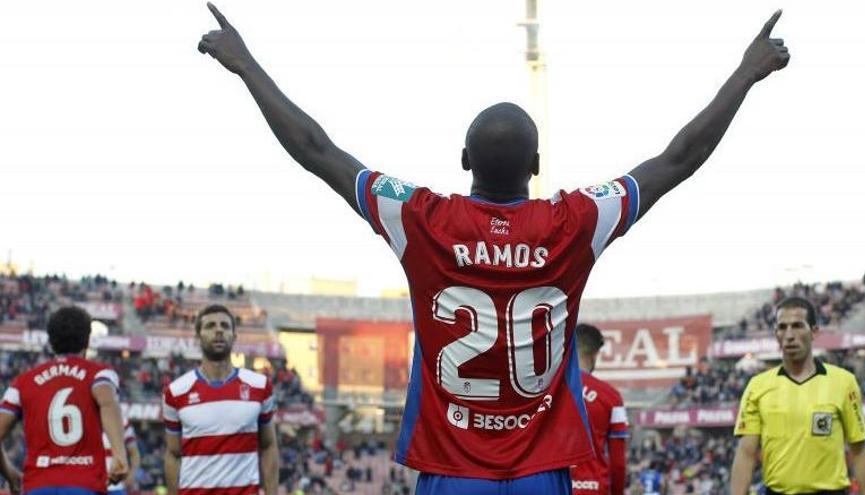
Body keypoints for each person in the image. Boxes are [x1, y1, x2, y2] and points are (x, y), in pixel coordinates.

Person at [198, 4, 789, 493]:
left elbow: (318, 150)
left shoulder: (420, 217)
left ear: (463, 160)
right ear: (536, 164)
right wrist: (745, 73)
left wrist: (246, 65)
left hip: (451, 467)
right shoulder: (575, 221)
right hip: (540, 467)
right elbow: (678, 159)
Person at [730, 297, 865, 495]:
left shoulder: (843, 382)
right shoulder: (758, 387)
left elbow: (859, 450)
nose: (789, 335)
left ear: (814, 331)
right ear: (776, 335)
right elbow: (746, 453)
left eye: (798, 326)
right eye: (782, 327)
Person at [0, 306, 129, 495]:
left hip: (38, 485)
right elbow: (107, 400)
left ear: (51, 342)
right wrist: (119, 454)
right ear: (87, 340)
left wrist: (9, 472)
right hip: (85, 484)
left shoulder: (22, 382)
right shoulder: (99, 374)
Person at [163, 304, 279, 495]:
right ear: (198, 336)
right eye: (210, 326)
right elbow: (173, 454)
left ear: (234, 336)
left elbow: (268, 446)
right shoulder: (175, 392)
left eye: (225, 326)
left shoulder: (260, 386)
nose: (218, 330)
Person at [570, 324, 628, 495]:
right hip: (594, 488)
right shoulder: (611, 397)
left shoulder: (548, 391)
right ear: (595, 354)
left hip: (555, 487)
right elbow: (618, 463)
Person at [103, 419, 140, 495]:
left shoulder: (123, 420)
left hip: (116, 486)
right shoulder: (87, 417)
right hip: (90, 484)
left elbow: (134, 454)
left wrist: (131, 476)